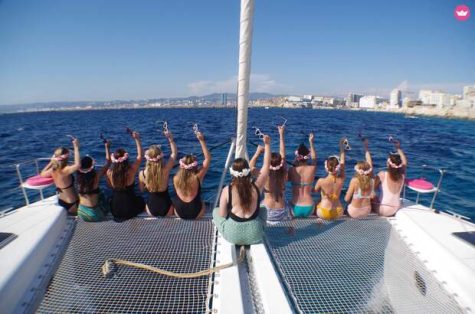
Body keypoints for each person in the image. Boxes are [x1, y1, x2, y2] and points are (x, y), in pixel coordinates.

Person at [214, 134, 271, 245]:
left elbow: (222, 214)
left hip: (233, 235)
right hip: (255, 234)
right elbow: (266, 166)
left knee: (215, 212)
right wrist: (267, 145)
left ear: (233, 172)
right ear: (248, 171)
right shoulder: (257, 186)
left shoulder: (227, 190)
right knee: (263, 209)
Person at [249, 126, 289, 222]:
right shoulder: (284, 173)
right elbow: (283, 155)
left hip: (267, 213)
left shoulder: (262, 175)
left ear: (267, 163)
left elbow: (249, 167)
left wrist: (257, 153)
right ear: (281, 164)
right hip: (282, 211)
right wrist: (281, 135)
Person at [107, 130, 145, 221]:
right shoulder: (131, 171)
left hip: (115, 210)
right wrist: (137, 139)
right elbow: (140, 156)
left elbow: (109, 186)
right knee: (141, 199)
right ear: (126, 158)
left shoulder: (109, 172)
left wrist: (107, 148)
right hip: (130, 209)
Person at [172, 131, 211, 219]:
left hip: (179, 213)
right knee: (203, 203)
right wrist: (201, 140)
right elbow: (208, 158)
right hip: (196, 213)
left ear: (181, 165)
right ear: (195, 166)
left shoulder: (175, 178)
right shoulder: (197, 177)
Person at [139, 131, 177, 217]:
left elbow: (142, 190)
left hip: (151, 208)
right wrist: (170, 139)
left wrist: (149, 183)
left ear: (148, 158)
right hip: (167, 207)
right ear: (160, 157)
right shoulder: (165, 170)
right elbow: (174, 153)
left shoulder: (142, 174)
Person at [41, 137, 81, 214]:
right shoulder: (65, 170)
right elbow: (78, 165)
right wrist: (76, 147)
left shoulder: (53, 170)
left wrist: (51, 162)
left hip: (61, 201)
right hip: (72, 202)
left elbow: (42, 173)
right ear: (67, 157)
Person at [76, 140, 111, 222]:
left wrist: (76, 148)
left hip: (81, 212)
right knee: (103, 196)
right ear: (92, 166)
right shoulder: (96, 177)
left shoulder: (78, 177)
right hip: (94, 215)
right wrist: (107, 147)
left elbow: (76, 163)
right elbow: (108, 162)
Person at [314, 138, 346, 220]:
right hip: (338, 212)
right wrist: (341, 146)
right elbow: (343, 163)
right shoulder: (341, 179)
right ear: (338, 168)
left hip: (323, 213)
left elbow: (314, 190)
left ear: (326, 167)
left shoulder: (321, 181)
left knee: (317, 201)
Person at [375, 139, 407, 216]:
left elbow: (372, 190)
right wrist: (398, 148)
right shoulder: (402, 176)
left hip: (382, 210)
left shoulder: (382, 175)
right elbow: (405, 162)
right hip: (395, 208)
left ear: (388, 164)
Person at [345, 138, 375, 218]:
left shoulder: (354, 181)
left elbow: (346, 199)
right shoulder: (372, 180)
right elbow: (370, 163)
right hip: (367, 211)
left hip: (353, 212)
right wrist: (366, 147)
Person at [288, 133, 317, 217]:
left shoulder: (292, 170)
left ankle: (291, 228)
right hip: (309, 206)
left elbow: (287, 179)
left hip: (295, 205)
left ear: (297, 156)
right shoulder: (312, 169)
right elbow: (314, 158)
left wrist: (294, 162)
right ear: (308, 156)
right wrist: (311, 142)